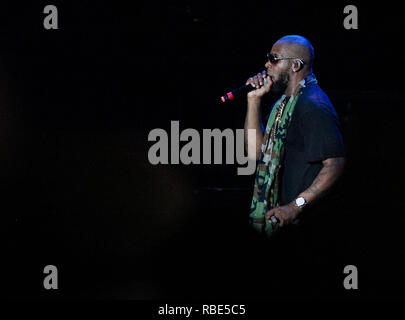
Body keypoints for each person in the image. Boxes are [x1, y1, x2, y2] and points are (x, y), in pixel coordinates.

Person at [244, 35, 346, 239]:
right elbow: (256, 153)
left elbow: (336, 164)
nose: (266, 64)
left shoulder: (312, 106)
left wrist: (295, 206)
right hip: (281, 221)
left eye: (273, 59)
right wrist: (253, 100)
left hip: (305, 225)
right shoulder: (283, 105)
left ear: (295, 65)